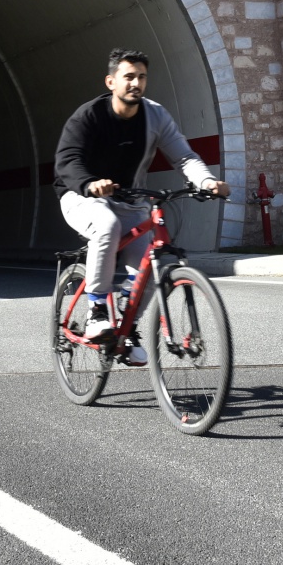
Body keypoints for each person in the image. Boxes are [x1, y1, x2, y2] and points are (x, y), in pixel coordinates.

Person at [54, 49, 229, 348]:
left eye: (142, 77)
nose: (136, 83)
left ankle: (128, 330)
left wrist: (206, 181)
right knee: (106, 225)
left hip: (130, 200)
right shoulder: (89, 115)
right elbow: (67, 160)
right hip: (81, 196)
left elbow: (183, 156)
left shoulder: (155, 115)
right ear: (111, 82)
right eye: (129, 77)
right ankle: (97, 311)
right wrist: (90, 183)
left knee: (149, 265)